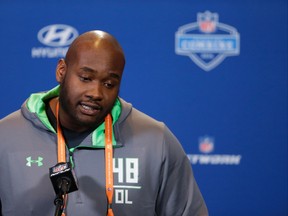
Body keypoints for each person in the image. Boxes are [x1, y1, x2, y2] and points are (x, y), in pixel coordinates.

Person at [0, 30, 208, 216]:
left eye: (109, 84)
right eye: (85, 78)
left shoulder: (156, 141)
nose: (96, 93)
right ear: (61, 71)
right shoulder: (5, 137)